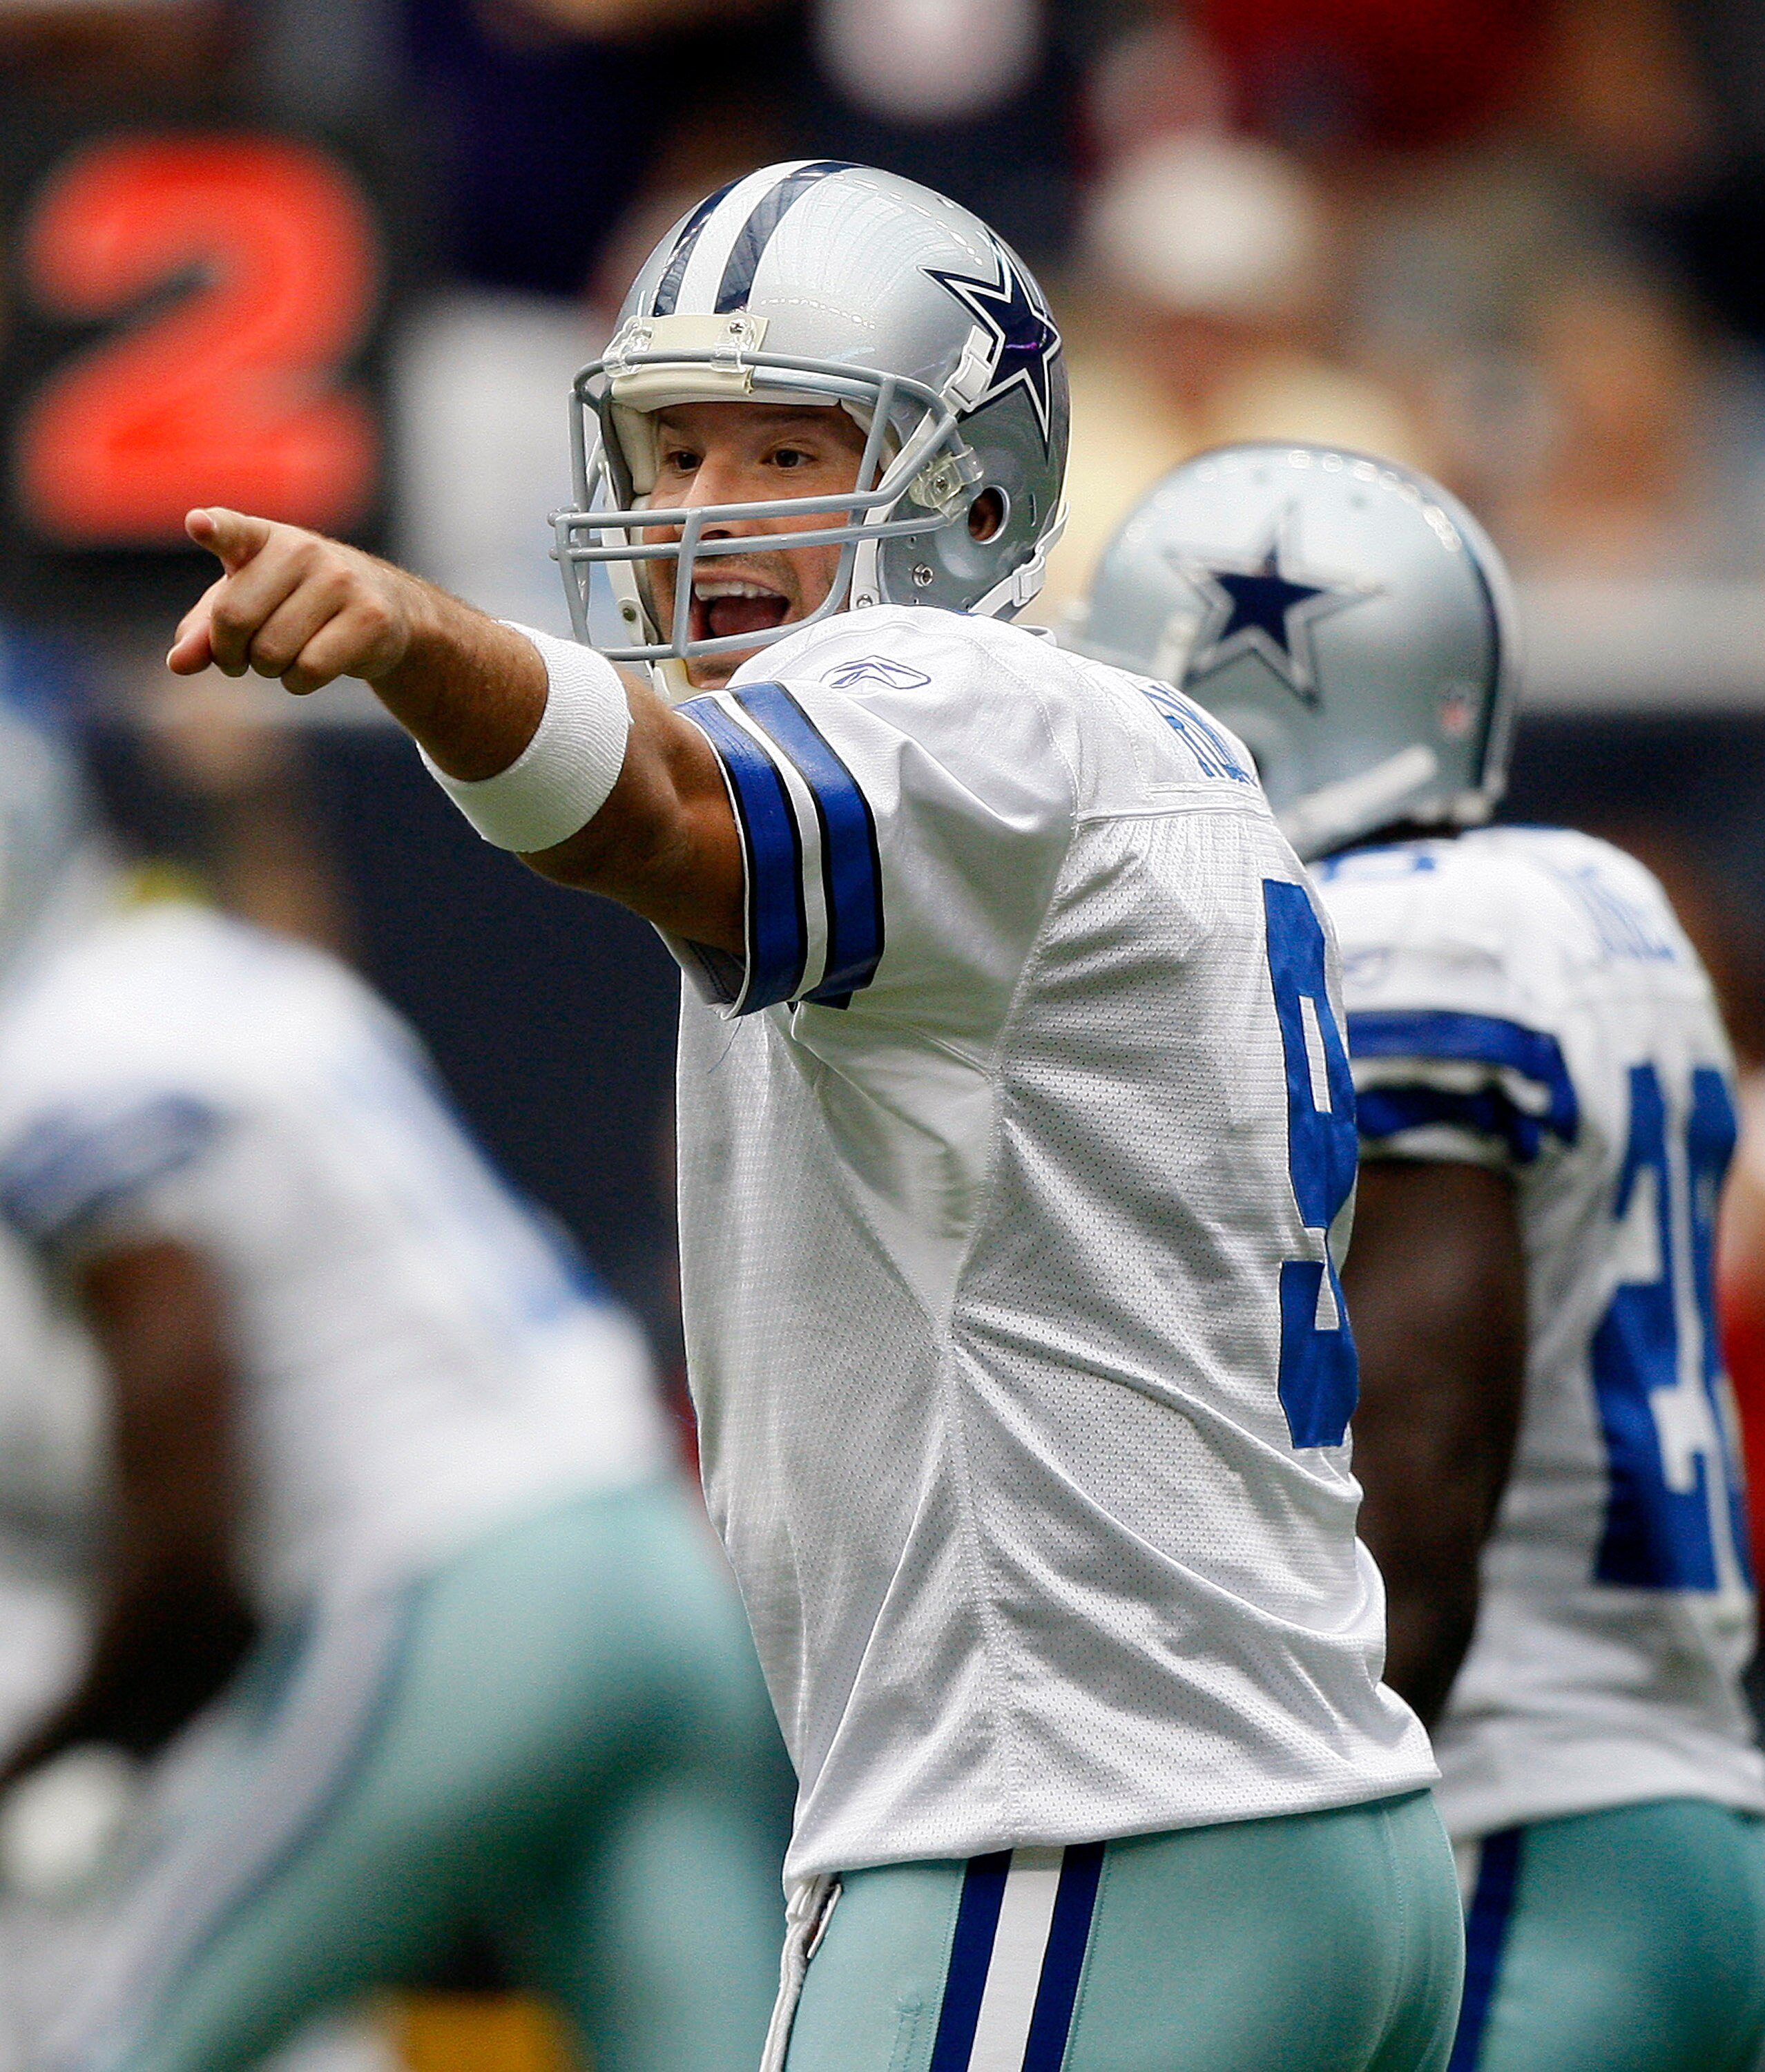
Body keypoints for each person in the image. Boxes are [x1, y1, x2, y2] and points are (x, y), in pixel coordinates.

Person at [165, 161, 1463, 2072]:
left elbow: (668, 817)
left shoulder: (940, 697)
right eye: (672, 451)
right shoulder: (1138, 746)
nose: (698, 515)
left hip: (1073, 1827)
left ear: (979, 489)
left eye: (781, 450)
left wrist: (418, 644)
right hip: (1295, 1821)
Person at [1077, 439, 1765, 2071]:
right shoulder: (1589, 905)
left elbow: (1422, 1451)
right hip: (1676, 1816)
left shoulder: (1402, 941)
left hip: (1512, 1837)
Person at [0, 692, 789, 2072]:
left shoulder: (65, 1051)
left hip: (460, 1591)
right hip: (652, 1560)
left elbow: (184, 1460)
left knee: (114, 2036)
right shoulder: (211, 969)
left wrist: (67, 1743)